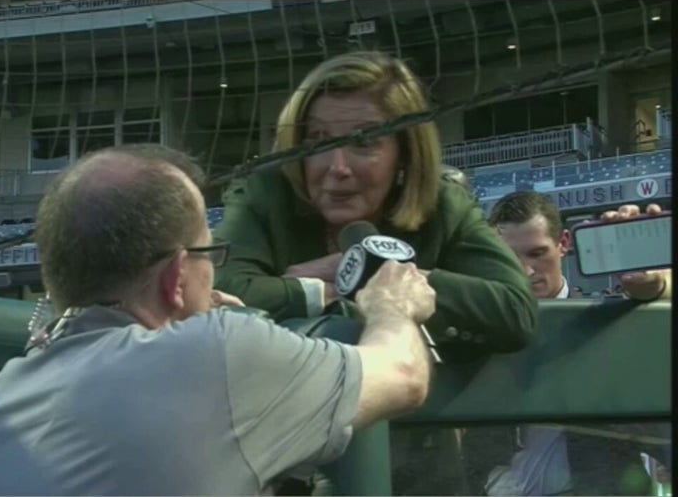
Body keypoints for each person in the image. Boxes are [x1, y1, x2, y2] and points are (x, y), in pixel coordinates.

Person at [0, 143, 437, 495]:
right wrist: (393, 307)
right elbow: (403, 376)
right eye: (209, 252)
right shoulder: (216, 353)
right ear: (178, 275)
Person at [213, 50, 537, 360]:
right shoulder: (264, 193)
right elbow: (216, 293)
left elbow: (514, 309)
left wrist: (378, 276)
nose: (337, 167)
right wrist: (315, 292)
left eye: (364, 142)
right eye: (318, 140)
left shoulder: (444, 205)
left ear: (405, 153)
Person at [475, 192, 671, 496]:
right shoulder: (478, 328)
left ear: (563, 243)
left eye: (537, 253)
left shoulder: (609, 322)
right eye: (511, 257)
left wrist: (653, 284)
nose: (526, 270)